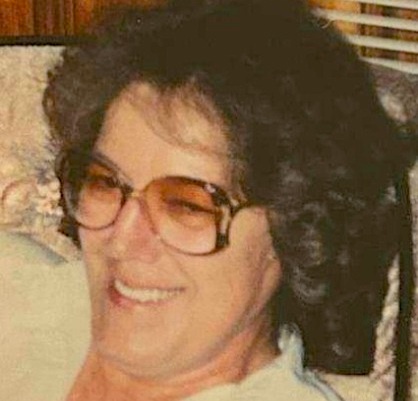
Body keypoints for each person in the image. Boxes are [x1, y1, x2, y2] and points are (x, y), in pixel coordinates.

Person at [43, 0, 417, 400]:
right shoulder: (19, 285)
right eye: (104, 182)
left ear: (296, 230)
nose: (121, 240)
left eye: (187, 205)